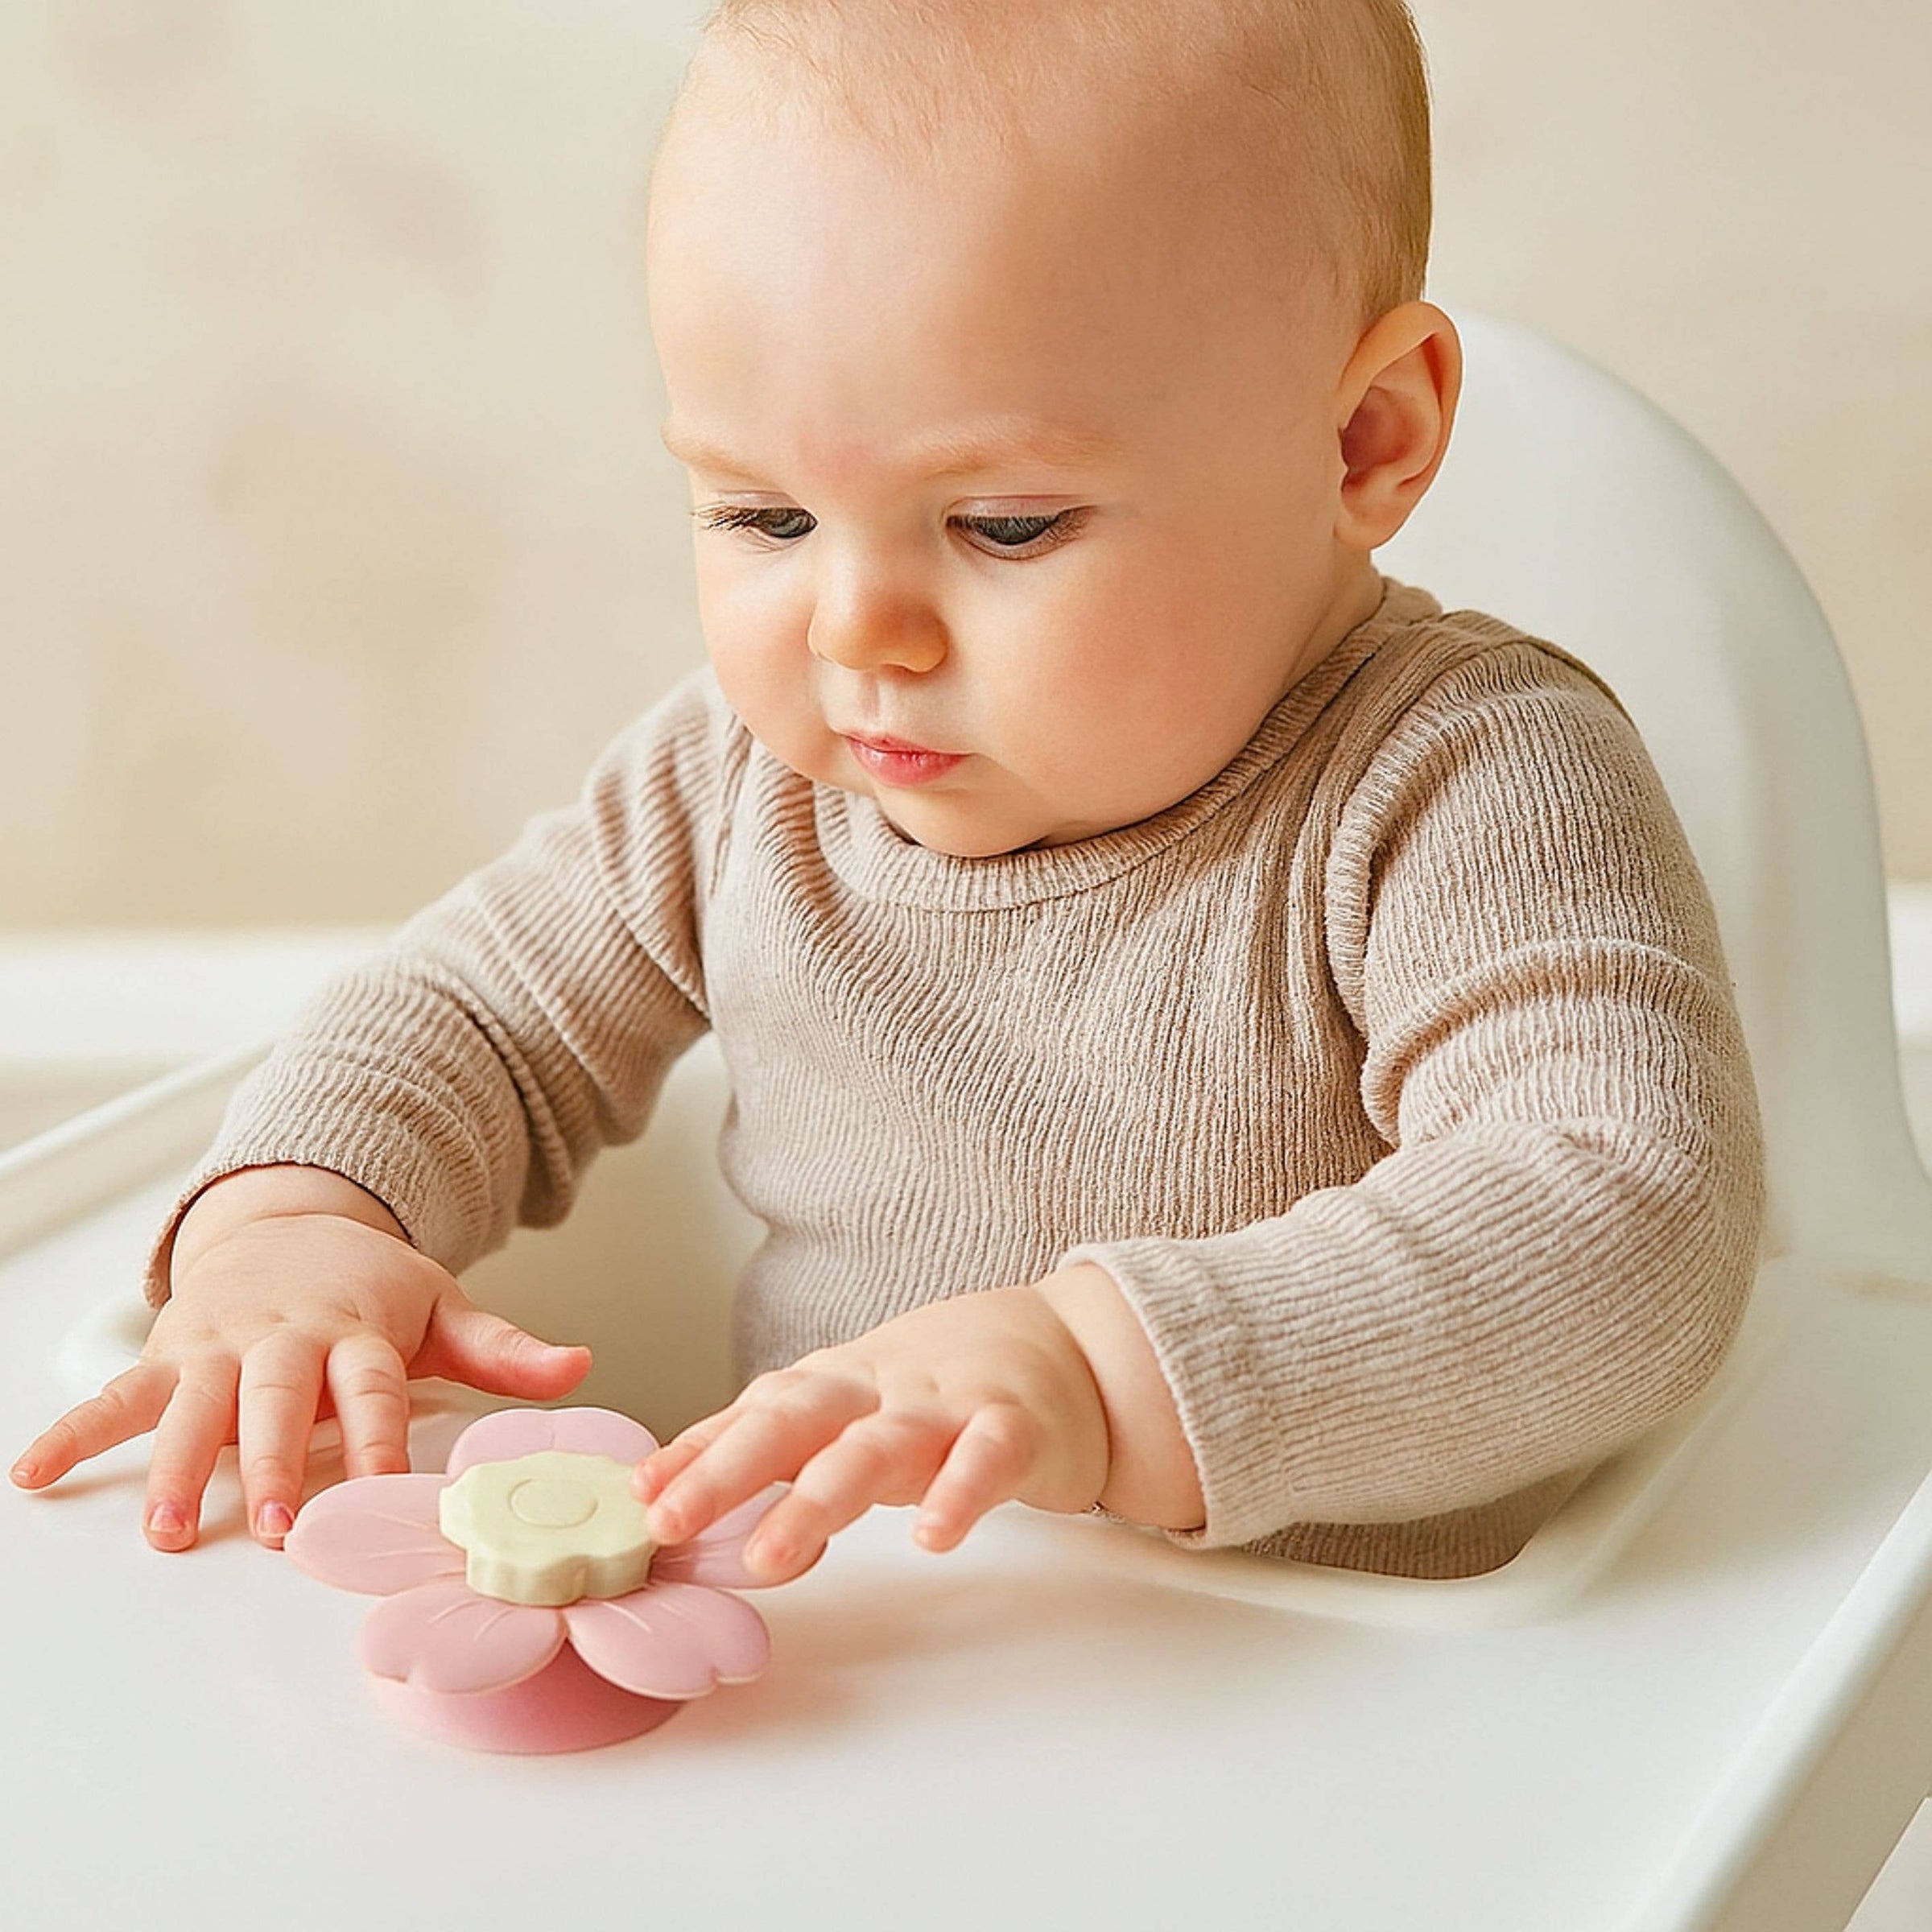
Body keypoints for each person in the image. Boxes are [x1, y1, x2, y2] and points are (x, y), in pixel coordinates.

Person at [10, 0, 1764, 1585]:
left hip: (1322, 1717)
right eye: (763, 517)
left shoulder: (1460, 782)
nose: (858, 629)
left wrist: (1097, 1373)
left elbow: (1623, 1211)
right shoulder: (741, 779)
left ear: (1363, 443)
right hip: (848, 1645)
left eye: (1004, 524)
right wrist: (293, 1225)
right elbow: (471, 1010)